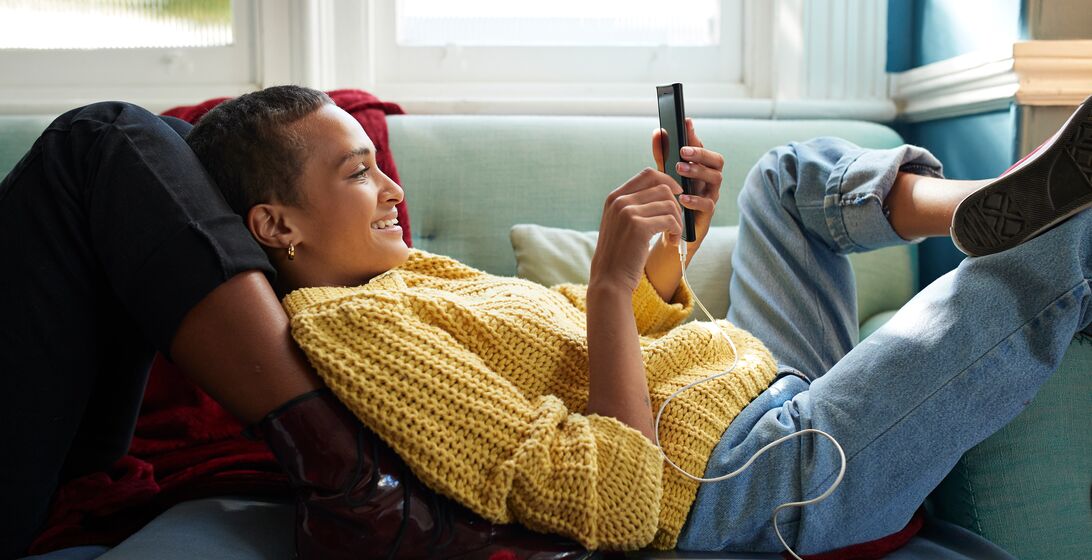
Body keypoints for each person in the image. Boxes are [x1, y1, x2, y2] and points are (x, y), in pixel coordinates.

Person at [2, 86, 1089, 559]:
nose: (388, 185)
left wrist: (662, 263)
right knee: (1042, 267)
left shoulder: (416, 275)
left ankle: (983, 204)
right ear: (274, 224)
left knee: (788, 178)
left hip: (757, 389)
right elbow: (616, 497)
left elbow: (638, 359)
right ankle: (1019, 232)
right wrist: (612, 290)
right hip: (761, 479)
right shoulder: (351, 333)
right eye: (358, 169)